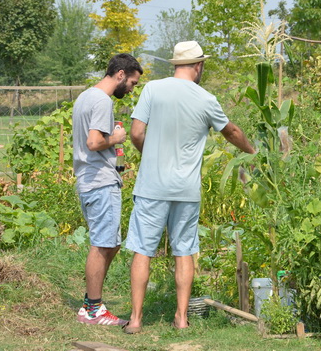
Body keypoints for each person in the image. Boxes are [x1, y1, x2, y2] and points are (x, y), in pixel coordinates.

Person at [123, 41, 255, 334]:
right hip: (185, 189)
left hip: (152, 186)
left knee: (143, 250)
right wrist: (253, 151)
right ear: (198, 66)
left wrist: (150, 154)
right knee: (184, 251)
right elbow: (231, 131)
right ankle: (181, 318)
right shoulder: (206, 98)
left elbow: (135, 132)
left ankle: (135, 320)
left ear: (176, 64)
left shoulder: (152, 89)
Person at [72, 53, 143, 326]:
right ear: (121, 74)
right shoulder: (102, 100)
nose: (132, 89)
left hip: (89, 179)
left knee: (108, 243)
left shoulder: (85, 97)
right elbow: (93, 142)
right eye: (133, 83)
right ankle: (92, 308)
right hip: (100, 182)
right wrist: (117, 137)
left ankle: (92, 299)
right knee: (103, 244)